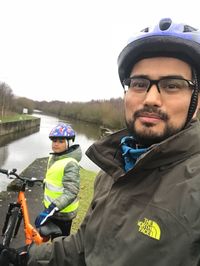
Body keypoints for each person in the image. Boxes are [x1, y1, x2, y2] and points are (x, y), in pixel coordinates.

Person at [2, 17, 200, 265]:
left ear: (197, 101)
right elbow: (85, 247)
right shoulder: (112, 170)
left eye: (172, 85)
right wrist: (26, 256)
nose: (150, 98)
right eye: (139, 83)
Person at [34, 122, 82, 237]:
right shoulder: (54, 157)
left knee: (59, 245)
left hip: (62, 213)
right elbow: (55, 180)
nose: (56, 144)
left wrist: (51, 209)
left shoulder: (71, 163)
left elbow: (71, 192)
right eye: (54, 141)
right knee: (48, 240)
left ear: (69, 143)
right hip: (52, 210)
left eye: (61, 141)